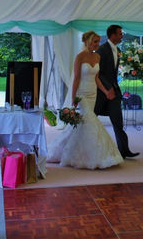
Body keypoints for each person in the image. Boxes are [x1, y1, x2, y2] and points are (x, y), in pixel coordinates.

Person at [47, 31, 123, 169]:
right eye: (95, 42)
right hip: (81, 94)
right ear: (87, 41)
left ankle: (71, 151)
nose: (97, 44)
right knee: (90, 121)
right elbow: (76, 78)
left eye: (98, 42)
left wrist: (105, 91)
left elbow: (97, 78)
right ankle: (95, 156)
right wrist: (73, 97)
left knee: (81, 125)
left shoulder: (98, 56)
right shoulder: (80, 57)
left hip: (93, 93)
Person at [94, 25, 139, 159]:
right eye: (120, 34)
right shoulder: (101, 50)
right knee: (90, 120)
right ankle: (79, 145)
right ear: (112, 35)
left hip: (114, 92)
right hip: (101, 92)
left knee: (118, 121)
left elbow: (113, 72)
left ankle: (124, 150)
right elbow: (98, 73)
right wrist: (108, 88)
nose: (122, 36)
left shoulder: (118, 50)